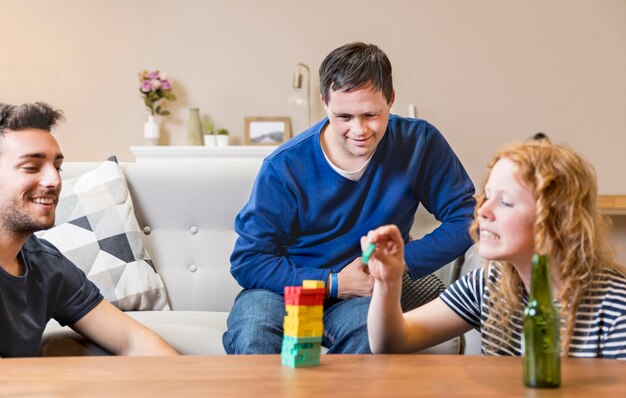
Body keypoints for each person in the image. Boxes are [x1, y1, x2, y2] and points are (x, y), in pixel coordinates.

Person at [223, 42, 476, 354]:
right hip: (285, 289)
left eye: (371, 114)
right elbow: (248, 261)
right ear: (324, 103)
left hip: (364, 295)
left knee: (372, 337)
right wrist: (334, 283)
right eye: (343, 116)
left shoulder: (419, 143)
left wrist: (397, 264)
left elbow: (467, 218)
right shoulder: (284, 166)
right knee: (253, 333)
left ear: (391, 100)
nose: (359, 130)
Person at [365, 140, 626, 358]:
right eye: (487, 196)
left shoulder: (615, 307)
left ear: (555, 220)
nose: (483, 211)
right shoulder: (489, 283)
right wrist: (388, 281)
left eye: (505, 202)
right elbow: (391, 343)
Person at [0, 102, 178, 357]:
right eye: (31, 167)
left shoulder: (48, 266)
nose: (54, 180)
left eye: (57, 166)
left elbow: (131, 339)